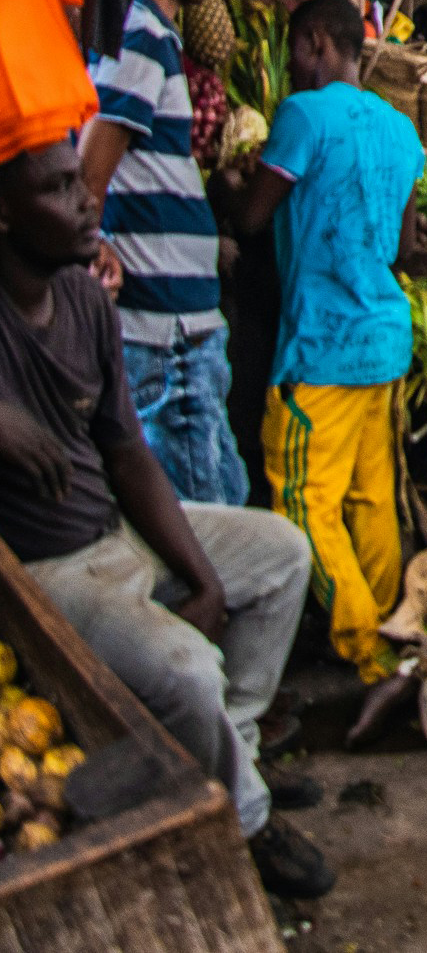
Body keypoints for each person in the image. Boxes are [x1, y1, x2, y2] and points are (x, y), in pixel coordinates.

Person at [0, 133, 333, 899]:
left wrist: (200, 575)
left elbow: (127, 452)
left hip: (117, 528)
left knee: (282, 554)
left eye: (75, 182)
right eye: (57, 190)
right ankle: (246, 823)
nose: (88, 199)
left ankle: (235, 755)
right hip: (51, 573)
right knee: (187, 668)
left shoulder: (84, 297)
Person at [222, 0, 424, 748]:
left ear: (314, 43)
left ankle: (368, 651)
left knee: (303, 501)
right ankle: (391, 628)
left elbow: (252, 217)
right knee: (371, 496)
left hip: (325, 346)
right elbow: (405, 249)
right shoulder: (401, 129)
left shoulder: (303, 118)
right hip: (384, 336)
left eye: (297, 53)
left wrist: (232, 179)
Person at [78, 0, 249, 508]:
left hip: (177, 322)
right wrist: (89, 247)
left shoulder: (147, 35)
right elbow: (95, 164)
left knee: (213, 494)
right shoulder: (142, 34)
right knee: (205, 513)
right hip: (165, 329)